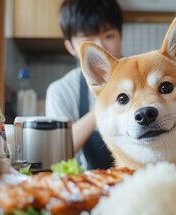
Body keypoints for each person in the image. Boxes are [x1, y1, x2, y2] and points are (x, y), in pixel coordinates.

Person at [45, 0, 123, 170]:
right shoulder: (61, 91)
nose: (101, 48)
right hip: (87, 184)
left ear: (120, 36)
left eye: (109, 36)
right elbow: (58, 153)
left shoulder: (141, 76)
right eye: (88, 40)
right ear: (71, 47)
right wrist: (102, 106)